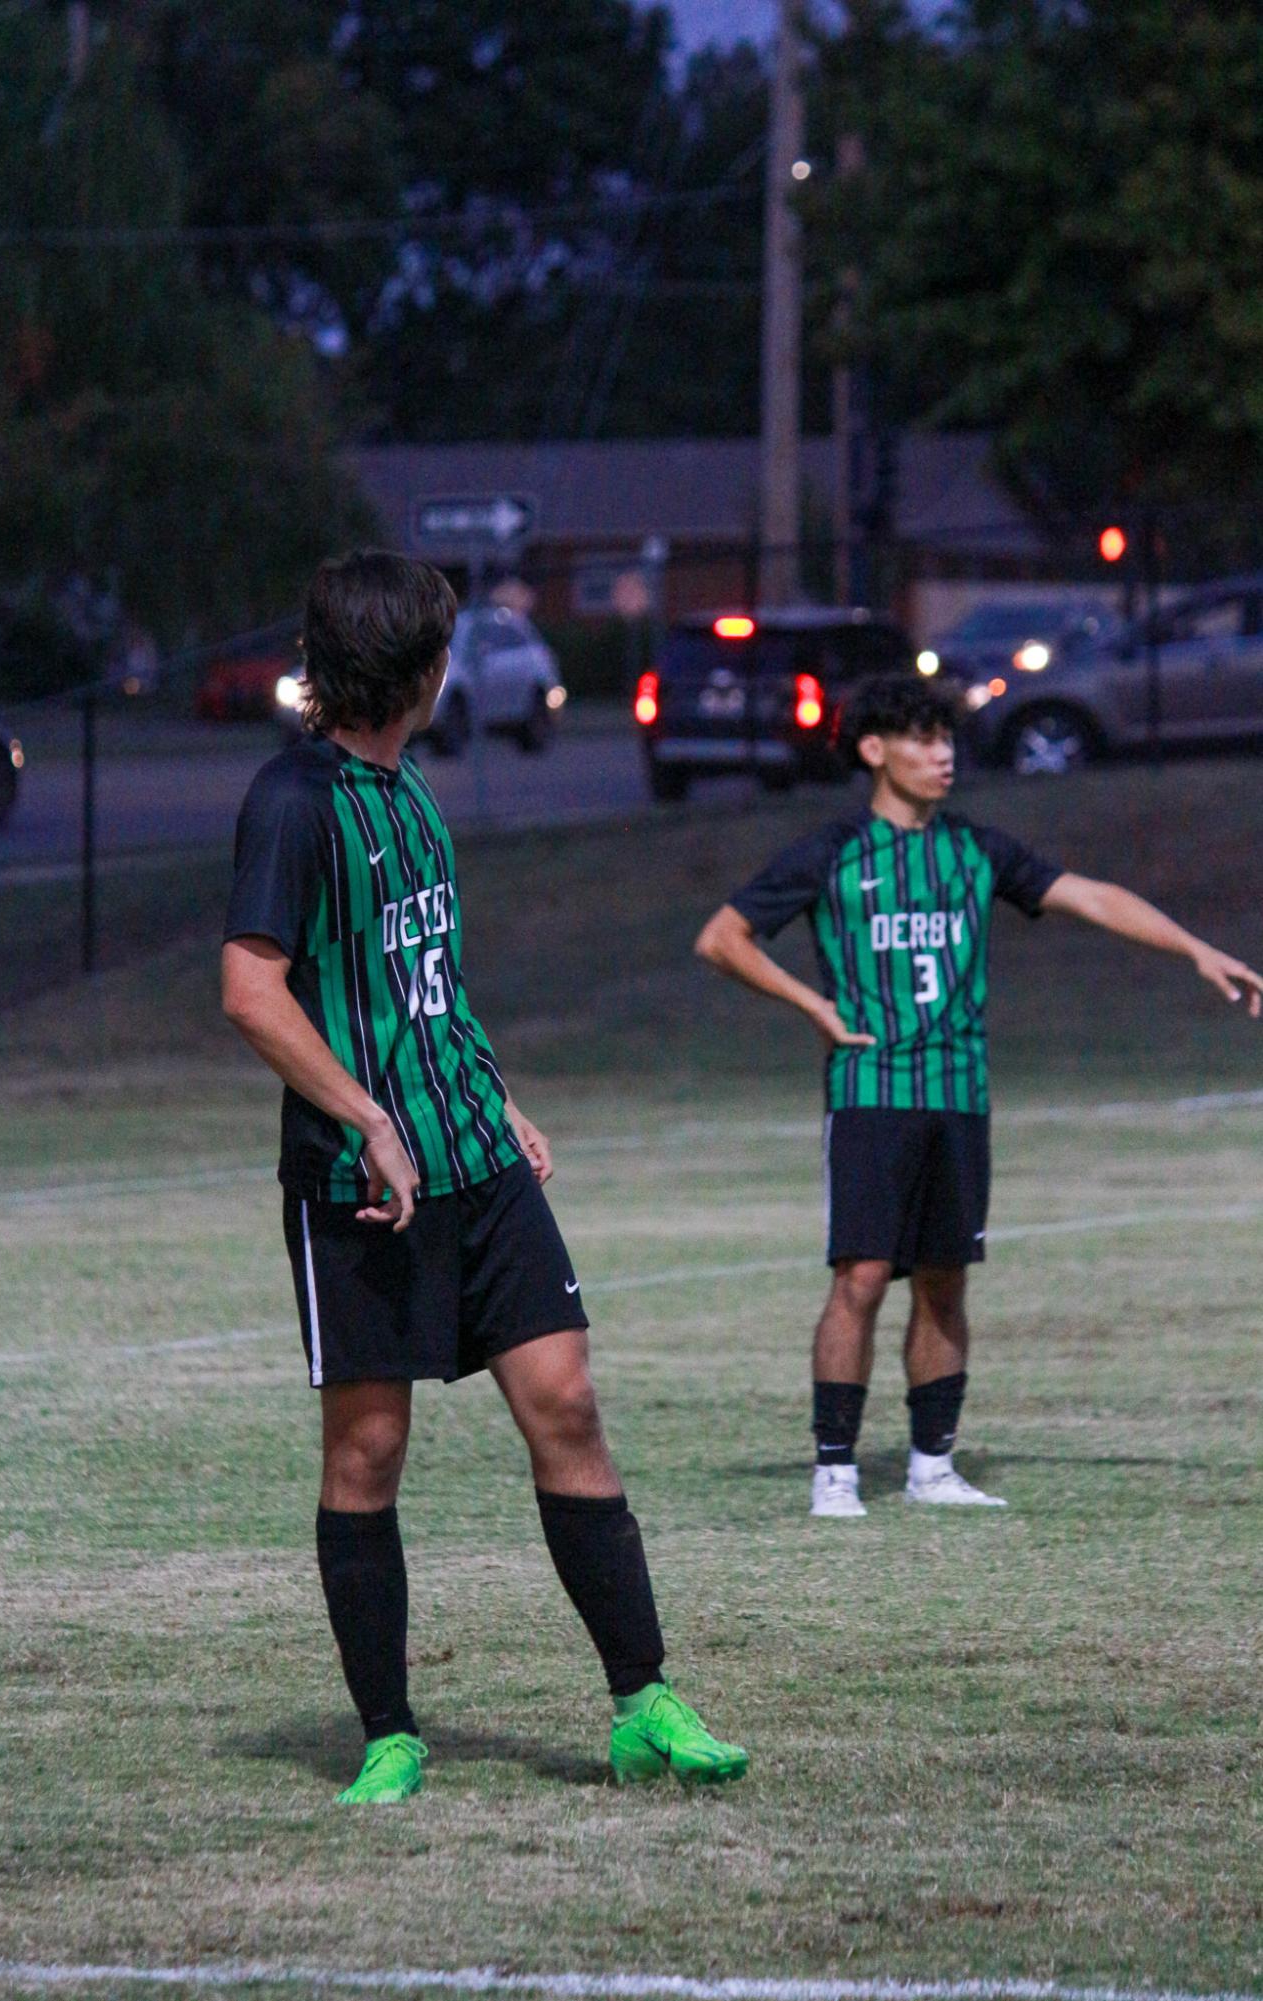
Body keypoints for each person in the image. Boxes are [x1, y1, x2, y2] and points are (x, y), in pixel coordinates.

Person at [222, 549, 747, 1802]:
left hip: (474, 1160)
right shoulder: (294, 802)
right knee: (367, 1451)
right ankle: (390, 1733)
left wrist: (493, 1099)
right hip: (363, 1181)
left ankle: (642, 1705)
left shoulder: (412, 796)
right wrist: (368, 1117)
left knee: (565, 1404)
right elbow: (251, 993)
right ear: (419, 667)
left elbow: (425, 988)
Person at [695, 674, 1262, 1519]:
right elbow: (721, 936)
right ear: (874, 749)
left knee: (946, 1281)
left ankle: (932, 1466)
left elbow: (1091, 895)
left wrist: (1193, 949)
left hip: (960, 1093)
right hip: (872, 1091)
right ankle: (835, 1473)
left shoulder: (976, 850)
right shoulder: (836, 852)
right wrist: (813, 1003)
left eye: (948, 739)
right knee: (861, 1275)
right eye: (923, 739)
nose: (943, 753)